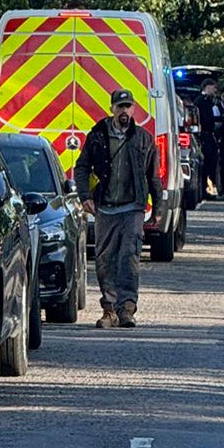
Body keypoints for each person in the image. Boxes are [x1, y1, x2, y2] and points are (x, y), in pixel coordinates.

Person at [78, 88, 161, 329]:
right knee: (105, 260)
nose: (124, 111)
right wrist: (85, 196)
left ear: (133, 109)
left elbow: (153, 176)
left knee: (130, 258)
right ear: (112, 108)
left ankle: (127, 309)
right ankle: (109, 310)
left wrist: (157, 206)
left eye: (128, 106)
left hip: (132, 208)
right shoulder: (97, 136)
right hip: (105, 208)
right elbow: (82, 167)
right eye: (120, 106)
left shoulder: (144, 138)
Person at [195, 80, 221, 197]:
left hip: (209, 135)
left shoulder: (209, 101)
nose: (214, 90)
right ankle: (205, 189)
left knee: (211, 163)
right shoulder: (202, 101)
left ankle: (207, 188)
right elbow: (206, 119)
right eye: (212, 87)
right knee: (206, 163)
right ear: (206, 87)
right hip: (204, 136)